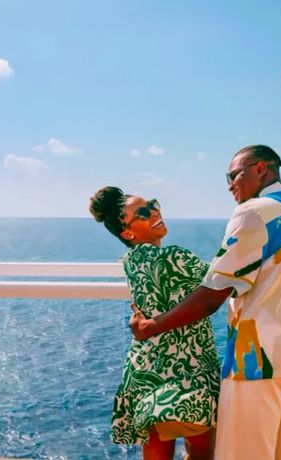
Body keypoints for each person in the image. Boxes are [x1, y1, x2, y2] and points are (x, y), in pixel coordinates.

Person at [130, 145, 281, 459]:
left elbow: (212, 295)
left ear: (261, 169)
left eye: (233, 174)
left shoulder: (252, 212)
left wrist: (150, 327)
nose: (229, 184)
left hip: (260, 358)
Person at [89, 186, 220, 460]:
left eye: (153, 205)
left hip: (146, 371)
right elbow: (225, 280)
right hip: (188, 370)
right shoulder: (174, 257)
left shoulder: (130, 261)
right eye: (143, 213)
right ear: (128, 233)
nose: (155, 213)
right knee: (201, 454)